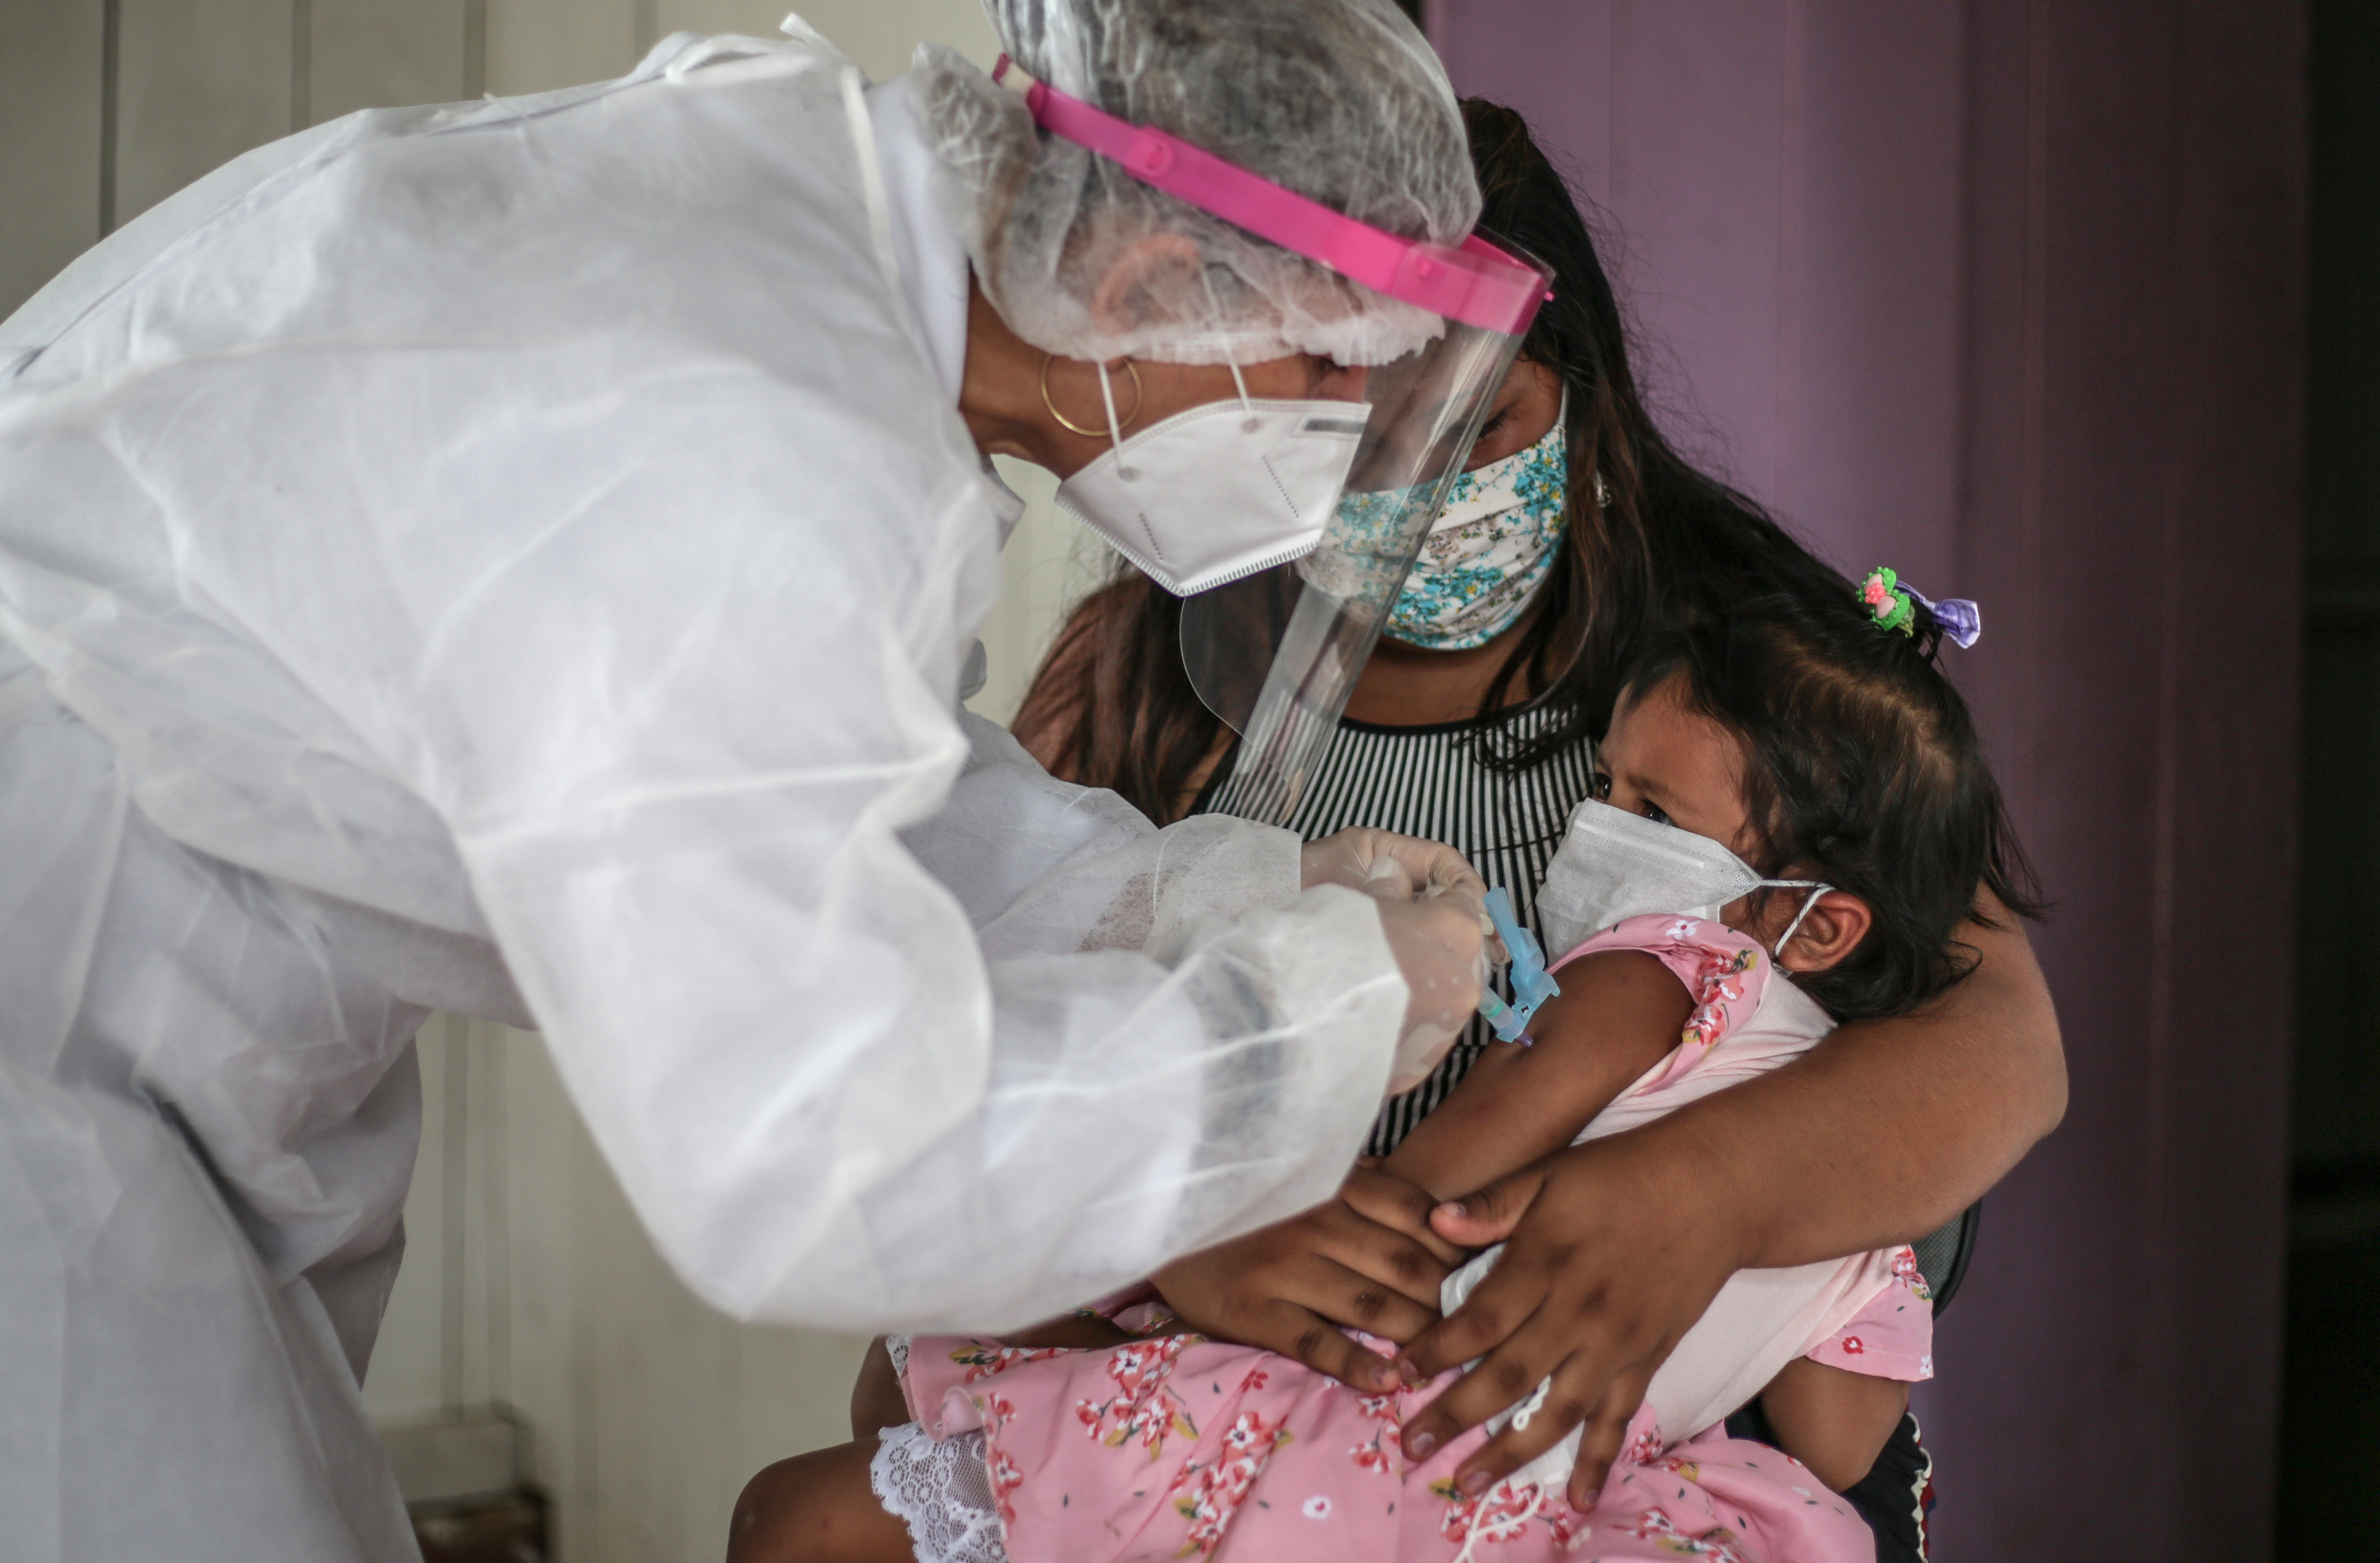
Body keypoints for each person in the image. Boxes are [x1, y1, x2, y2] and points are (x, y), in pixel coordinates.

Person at [0, 0, 1538, 1557]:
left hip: (191, 1001)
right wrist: (1289, 1026)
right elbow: (819, 1152)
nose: (1344, 437)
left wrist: (1221, 901)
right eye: (1326, 376)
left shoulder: (803, 245)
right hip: (55, 1027)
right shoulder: (748, 438)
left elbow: (812, 787)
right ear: (1147, 282)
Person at [997, 101, 2065, 1558]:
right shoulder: (1131, 692)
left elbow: (2001, 1050)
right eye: (1340, 438)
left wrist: (1704, 1191)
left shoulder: (1744, 683)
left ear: (1583, 391)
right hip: (1247, 1453)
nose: (1408, 488)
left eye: (1471, 423)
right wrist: (1167, 1246)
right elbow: (966, 1098)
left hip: (1640, 1472)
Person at [727, 566, 2037, 1563]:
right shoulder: (1868, 1216)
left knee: (798, 1518)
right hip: (1527, 1510)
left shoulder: (1656, 974)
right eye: (1607, 787)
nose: (1595, 826)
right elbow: (1839, 1438)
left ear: (1817, 915)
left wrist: (1231, 1231)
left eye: (1647, 812)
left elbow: (1419, 1199)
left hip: (1345, 1421)